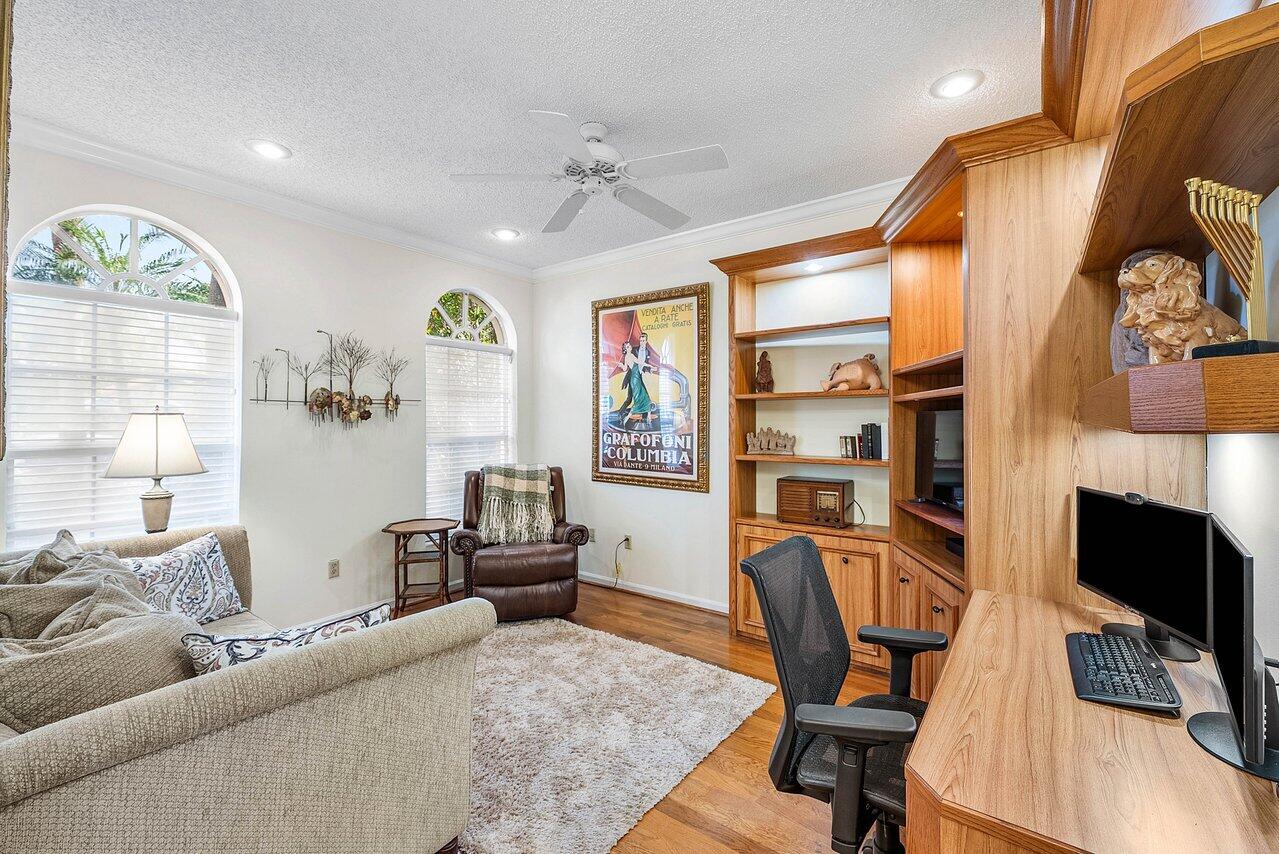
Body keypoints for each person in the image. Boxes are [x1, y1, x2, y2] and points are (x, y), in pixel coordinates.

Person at [614, 341, 655, 425]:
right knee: (639, 399)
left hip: (635, 378)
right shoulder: (630, 356)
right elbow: (640, 362)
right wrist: (649, 365)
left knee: (645, 397)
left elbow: (625, 368)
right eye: (628, 347)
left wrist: (621, 365)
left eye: (630, 345)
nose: (630, 347)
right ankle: (627, 418)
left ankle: (648, 418)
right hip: (635, 379)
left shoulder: (626, 357)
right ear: (626, 349)